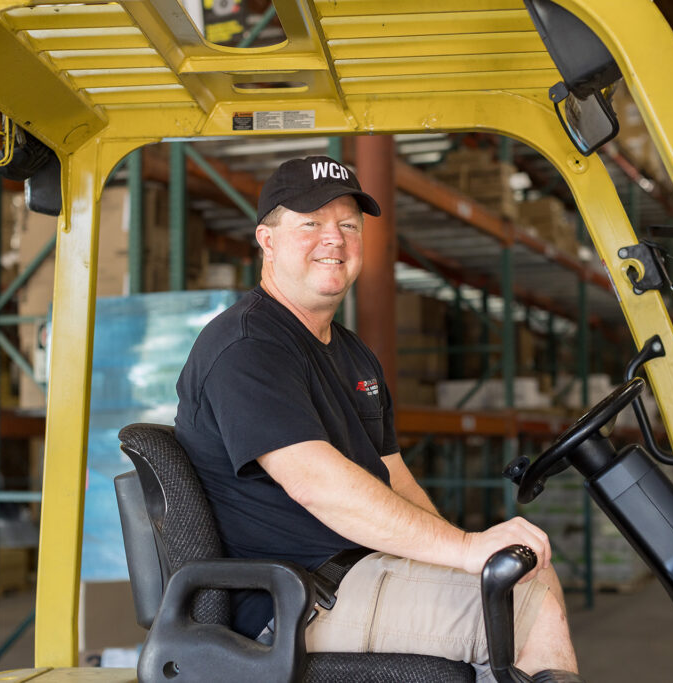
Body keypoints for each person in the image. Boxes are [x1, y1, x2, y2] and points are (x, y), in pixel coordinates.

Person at [174, 156, 580, 681]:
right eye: (310, 224)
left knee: (527, 576)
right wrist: (464, 549)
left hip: (353, 573)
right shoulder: (248, 347)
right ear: (267, 241)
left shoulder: (352, 355)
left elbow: (396, 477)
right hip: (293, 601)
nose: (333, 239)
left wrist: (458, 552)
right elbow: (316, 484)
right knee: (527, 604)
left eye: (347, 225)